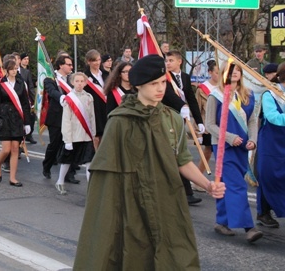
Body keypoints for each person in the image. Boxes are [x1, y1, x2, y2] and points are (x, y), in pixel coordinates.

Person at [74, 55, 225, 270]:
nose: (160, 88)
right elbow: (106, 174)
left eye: (163, 82)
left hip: (167, 200)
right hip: (131, 203)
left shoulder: (172, 119)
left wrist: (207, 185)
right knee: (136, 257)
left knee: (174, 256)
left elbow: (182, 161)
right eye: (154, 83)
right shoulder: (120, 120)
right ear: (138, 85)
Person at [205, 62, 262, 243]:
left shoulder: (248, 94)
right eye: (232, 70)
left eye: (238, 70)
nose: (235, 73)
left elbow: (252, 120)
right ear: (223, 73)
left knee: (225, 183)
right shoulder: (216, 95)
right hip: (224, 147)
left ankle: (221, 221)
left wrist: (253, 139)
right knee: (237, 185)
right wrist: (229, 137)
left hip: (243, 146)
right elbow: (210, 125)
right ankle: (249, 227)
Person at [162, 49, 207, 206]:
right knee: (175, 154)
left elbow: (192, 100)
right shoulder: (165, 78)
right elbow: (168, 95)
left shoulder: (185, 78)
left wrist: (199, 121)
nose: (168, 63)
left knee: (180, 154)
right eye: (166, 61)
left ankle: (186, 192)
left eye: (171, 61)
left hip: (182, 120)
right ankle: (184, 192)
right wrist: (181, 106)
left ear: (179, 61)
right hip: (167, 118)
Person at [0, 59, 31, 187]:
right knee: (6, 149)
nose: (15, 71)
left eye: (16, 68)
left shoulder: (21, 83)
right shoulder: (0, 83)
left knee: (15, 149)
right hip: (5, 118)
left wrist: (27, 122)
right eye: (12, 68)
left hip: (17, 118)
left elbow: (25, 104)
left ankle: (13, 178)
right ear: (7, 70)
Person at [256, 62, 285, 228]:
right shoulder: (270, 94)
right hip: (272, 142)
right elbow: (273, 117)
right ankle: (263, 212)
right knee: (269, 177)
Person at [56, 72, 95, 195]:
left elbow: (91, 117)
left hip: (86, 135)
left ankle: (90, 188)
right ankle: (60, 181)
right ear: (72, 82)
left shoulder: (89, 97)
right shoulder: (69, 99)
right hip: (73, 135)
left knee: (89, 161)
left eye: (81, 81)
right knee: (67, 160)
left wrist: (93, 134)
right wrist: (67, 139)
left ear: (85, 83)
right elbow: (66, 120)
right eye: (77, 81)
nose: (79, 84)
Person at [42, 55, 74, 180]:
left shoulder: (72, 79)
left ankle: (68, 174)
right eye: (69, 64)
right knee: (55, 145)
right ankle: (47, 166)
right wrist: (61, 97)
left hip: (70, 117)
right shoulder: (51, 79)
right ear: (61, 65)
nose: (71, 67)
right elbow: (51, 91)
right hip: (56, 117)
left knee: (69, 144)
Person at [194, 60, 219, 185]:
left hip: (222, 125)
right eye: (216, 72)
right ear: (210, 72)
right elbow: (197, 110)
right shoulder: (202, 89)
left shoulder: (225, 87)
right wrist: (198, 132)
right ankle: (198, 179)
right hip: (208, 125)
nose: (218, 75)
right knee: (208, 152)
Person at [83, 49, 107, 149]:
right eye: (94, 60)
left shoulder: (105, 74)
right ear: (89, 61)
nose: (98, 63)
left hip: (105, 108)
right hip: (94, 108)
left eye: (99, 60)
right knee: (96, 136)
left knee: (105, 135)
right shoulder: (85, 77)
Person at [19, 52, 37, 144]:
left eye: (27, 59)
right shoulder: (19, 71)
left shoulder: (28, 71)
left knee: (31, 117)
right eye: (24, 59)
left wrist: (34, 100)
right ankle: (23, 136)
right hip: (22, 98)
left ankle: (29, 135)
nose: (26, 61)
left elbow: (31, 86)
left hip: (29, 98)